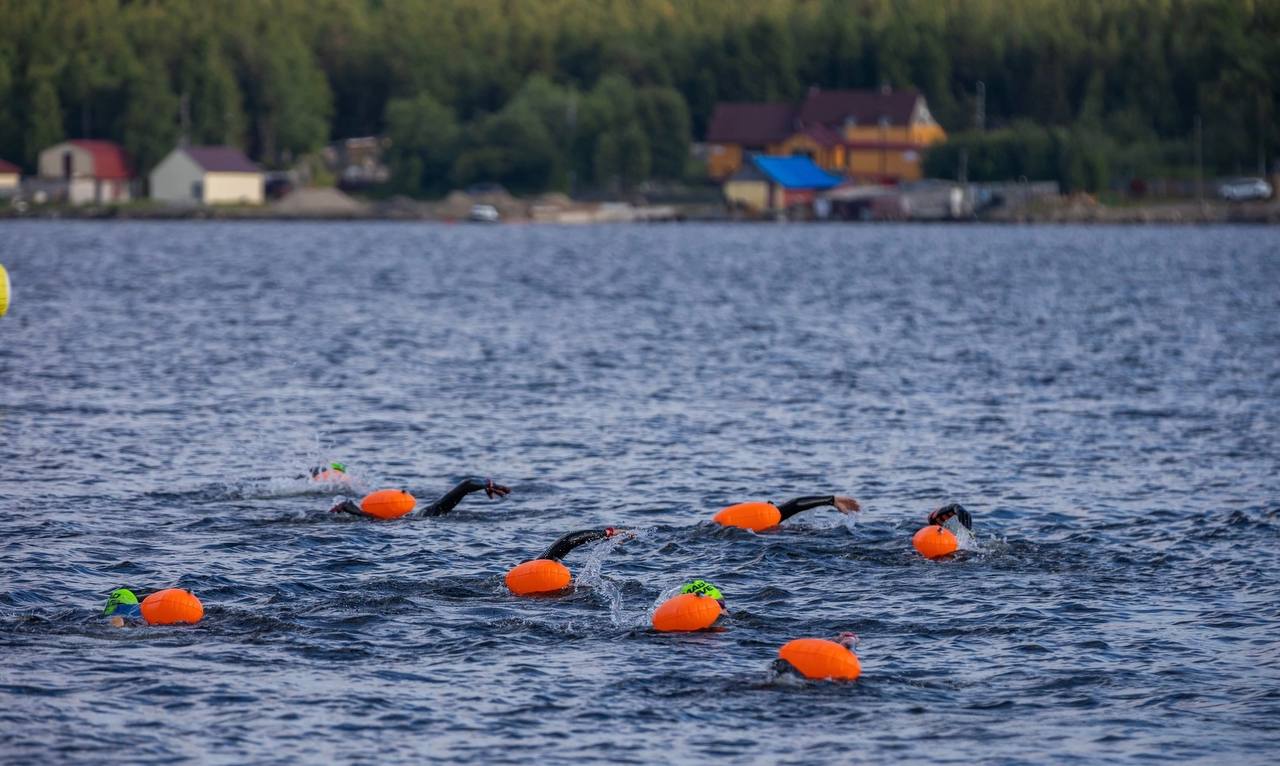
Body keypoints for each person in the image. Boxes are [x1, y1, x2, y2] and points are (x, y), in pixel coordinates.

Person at [329, 477, 510, 519]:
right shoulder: (426, 514)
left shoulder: (424, 514)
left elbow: (464, 487)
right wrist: (486, 483)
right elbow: (465, 486)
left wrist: (486, 483)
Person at [712, 494, 861, 531]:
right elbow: (793, 506)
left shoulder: (765, 519)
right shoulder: (766, 520)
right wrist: (832, 500)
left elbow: (792, 507)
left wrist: (832, 500)